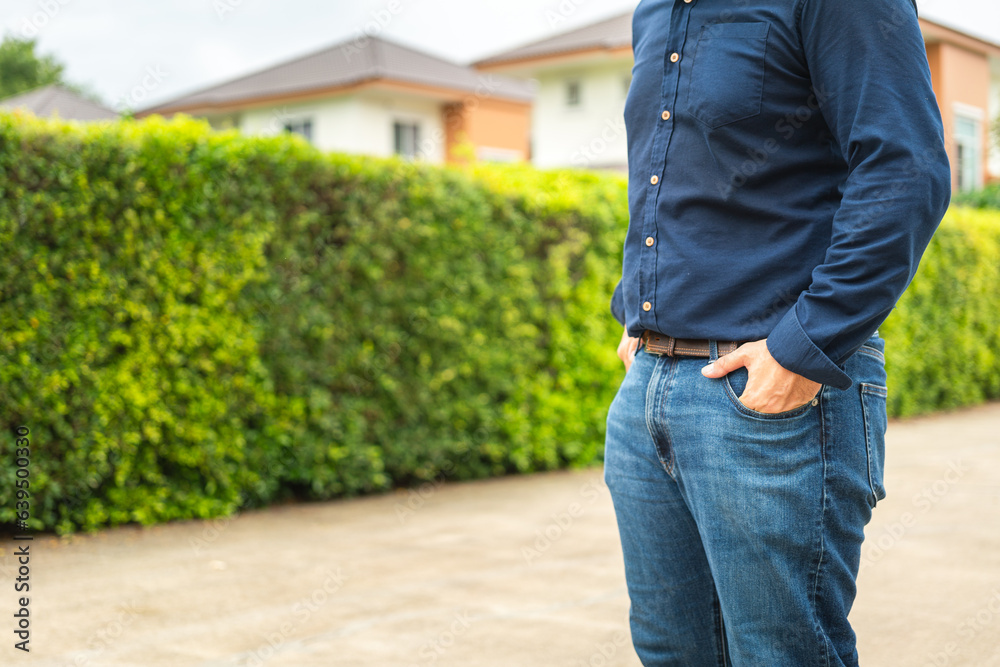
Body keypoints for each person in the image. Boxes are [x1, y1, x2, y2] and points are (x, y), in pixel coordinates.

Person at [604, 0, 951, 665]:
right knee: (671, 652)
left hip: (770, 402)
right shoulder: (654, 13)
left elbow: (905, 170)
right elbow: (667, 177)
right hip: (649, 390)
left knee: (781, 655)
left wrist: (805, 344)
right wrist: (639, 317)